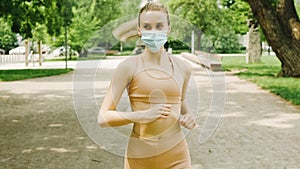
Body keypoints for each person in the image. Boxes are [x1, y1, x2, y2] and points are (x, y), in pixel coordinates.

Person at [98, 2, 196, 169]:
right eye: (147, 27)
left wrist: (189, 116)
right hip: (140, 157)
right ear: (139, 31)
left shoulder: (183, 68)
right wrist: (142, 115)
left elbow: (181, 101)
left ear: (168, 29)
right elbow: (103, 118)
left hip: (177, 156)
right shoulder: (128, 67)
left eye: (159, 26)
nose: (154, 32)